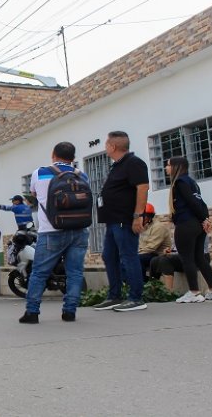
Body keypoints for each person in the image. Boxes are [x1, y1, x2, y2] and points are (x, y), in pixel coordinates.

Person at [19, 142, 89, 324]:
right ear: (73, 158)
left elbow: (34, 194)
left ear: (53, 154)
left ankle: (32, 312)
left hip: (51, 231)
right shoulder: (82, 175)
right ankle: (70, 312)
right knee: (74, 272)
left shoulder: (40, 173)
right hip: (79, 230)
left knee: (40, 273)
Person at [93, 131, 150, 312]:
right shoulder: (116, 166)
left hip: (125, 220)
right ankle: (114, 295)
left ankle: (136, 297)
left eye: (106, 144)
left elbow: (143, 188)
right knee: (109, 256)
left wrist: (138, 216)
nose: (105, 147)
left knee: (128, 256)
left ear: (113, 146)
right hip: (112, 220)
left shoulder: (134, 163)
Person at [166, 157, 212, 303]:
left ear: (176, 167)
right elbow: (201, 202)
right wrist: (205, 219)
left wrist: (204, 219)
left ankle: (194, 292)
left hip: (186, 224)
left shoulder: (180, 182)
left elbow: (192, 202)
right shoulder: (192, 182)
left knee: (187, 258)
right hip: (197, 224)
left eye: (168, 165)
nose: (166, 168)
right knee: (199, 257)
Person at [138, 203, 171, 283]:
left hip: (158, 255)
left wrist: (134, 254)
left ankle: (143, 284)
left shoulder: (158, 227)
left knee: (136, 259)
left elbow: (151, 248)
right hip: (146, 254)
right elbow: (140, 246)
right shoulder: (145, 227)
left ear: (148, 216)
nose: (139, 218)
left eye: (141, 216)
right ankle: (137, 283)